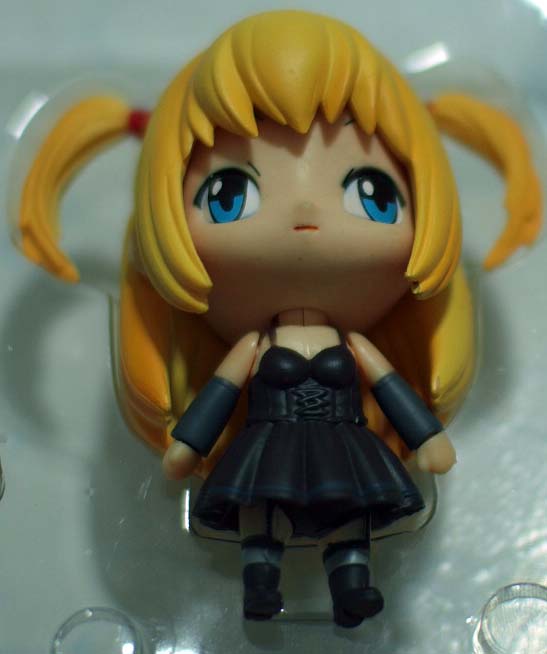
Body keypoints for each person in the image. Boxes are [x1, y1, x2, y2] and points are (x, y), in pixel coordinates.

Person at [16, 10, 541, 628]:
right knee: (260, 512)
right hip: (266, 441)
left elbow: (390, 387)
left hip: (344, 439)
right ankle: (260, 581)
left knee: (349, 512)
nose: (305, 211)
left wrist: (426, 436)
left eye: (372, 193)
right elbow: (220, 392)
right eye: (229, 195)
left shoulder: (356, 344)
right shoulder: (252, 345)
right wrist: (188, 443)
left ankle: (352, 585)